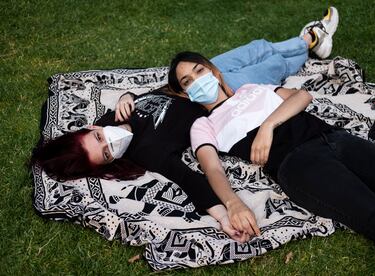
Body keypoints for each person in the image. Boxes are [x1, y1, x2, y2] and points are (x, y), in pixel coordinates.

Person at [31, 8, 339, 243]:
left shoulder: (109, 119)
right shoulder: (147, 152)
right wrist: (224, 215)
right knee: (270, 67)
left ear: (90, 128)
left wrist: (127, 94)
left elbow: (138, 100)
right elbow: (190, 180)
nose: (109, 138)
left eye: (98, 136)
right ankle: (309, 41)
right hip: (214, 99)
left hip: (191, 80)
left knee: (255, 47)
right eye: (107, 152)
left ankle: (303, 40)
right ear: (110, 163)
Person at [167, 33, 375, 276]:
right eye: (187, 81)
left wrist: (268, 126)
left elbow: (302, 96)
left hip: (334, 137)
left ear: (214, 71)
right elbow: (212, 169)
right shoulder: (203, 125)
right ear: (183, 93)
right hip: (298, 164)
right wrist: (234, 204)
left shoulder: (251, 89)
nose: (197, 80)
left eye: (199, 71)